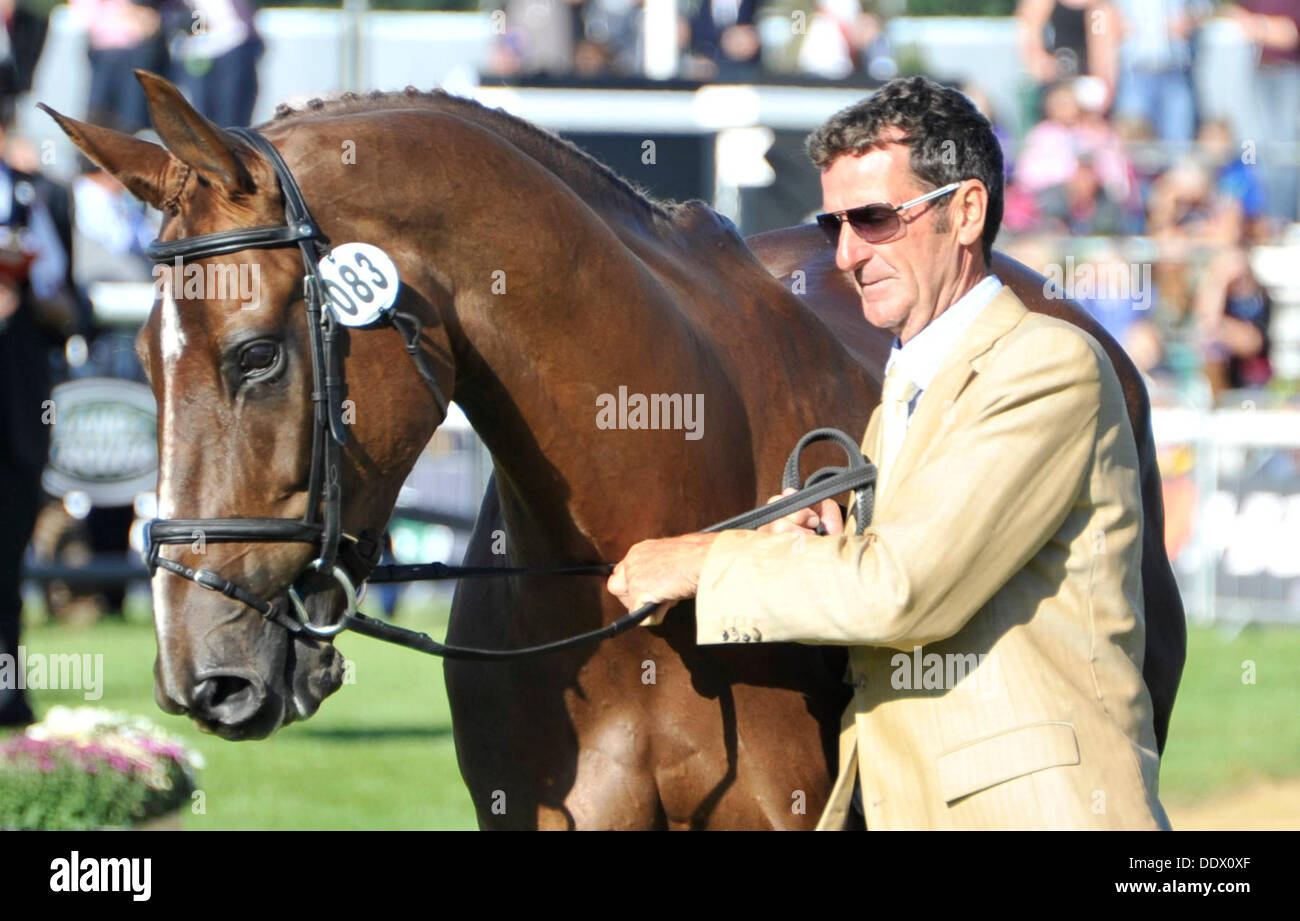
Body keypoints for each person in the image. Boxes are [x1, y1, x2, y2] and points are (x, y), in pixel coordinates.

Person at [607, 76, 1169, 830]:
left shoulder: (1045, 364)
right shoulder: (905, 386)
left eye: (874, 219)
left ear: (966, 211)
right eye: (833, 222)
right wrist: (816, 549)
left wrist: (705, 561)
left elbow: (903, 589)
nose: (844, 253)